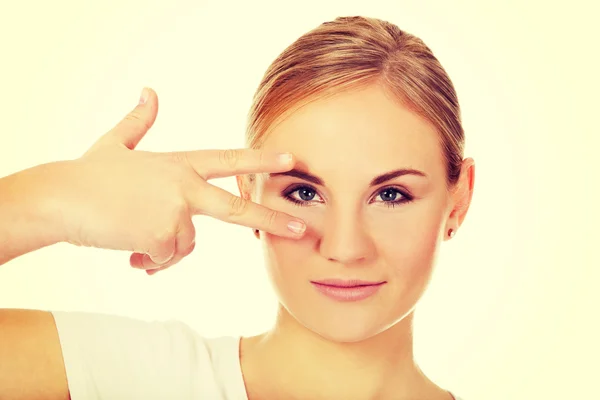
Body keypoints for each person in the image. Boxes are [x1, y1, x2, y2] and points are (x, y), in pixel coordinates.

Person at [0, 16, 474, 400]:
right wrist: (53, 200)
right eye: (305, 193)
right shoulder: (138, 378)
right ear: (248, 194)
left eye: (390, 195)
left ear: (459, 200)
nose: (345, 248)